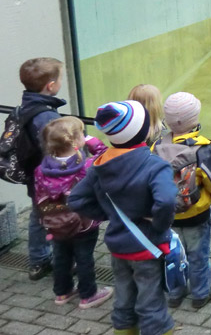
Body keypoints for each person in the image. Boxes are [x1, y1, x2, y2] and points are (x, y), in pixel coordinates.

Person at [68, 100, 177, 335]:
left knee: (124, 296)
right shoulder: (154, 165)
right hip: (148, 247)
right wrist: (158, 224)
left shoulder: (99, 165)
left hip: (119, 246)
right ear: (142, 130)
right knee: (151, 303)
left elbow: (76, 200)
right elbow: (167, 200)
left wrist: (109, 214)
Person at [153, 91, 211, 310]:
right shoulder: (201, 148)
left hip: (168, 215)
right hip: (196, 214)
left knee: (173, 255)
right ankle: (200, 294)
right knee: (198, 256)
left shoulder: (156, 147)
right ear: (195, 120)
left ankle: (175, 294)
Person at [33, 116, 112, 308]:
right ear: (77, 141)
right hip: (84, 223)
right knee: (84, 258)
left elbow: (38, 196)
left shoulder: (41, 169)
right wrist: (92, 142)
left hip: (55, 224)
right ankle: (88, 295)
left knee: (61, 256)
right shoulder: (85, 166)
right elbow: (106, 157)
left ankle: (62, 292)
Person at [17, 57, 67, 280]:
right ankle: (62, 261)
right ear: (51, 86)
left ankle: (37, 261)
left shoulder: (25, 106)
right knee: (58, 218)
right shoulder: (46, 116)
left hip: (34, 177)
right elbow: (57, 149)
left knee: (38, 217)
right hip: (50, 179)